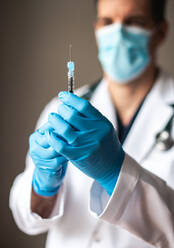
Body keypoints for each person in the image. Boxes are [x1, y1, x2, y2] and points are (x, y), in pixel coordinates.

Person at [9, 0, 174, 247]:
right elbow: (29, 220)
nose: (117, 33)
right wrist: (43, 184)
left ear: (160, 32)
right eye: (107, 22)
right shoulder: (59, 110)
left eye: (134, 22)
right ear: (96, 29)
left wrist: (115, 172)